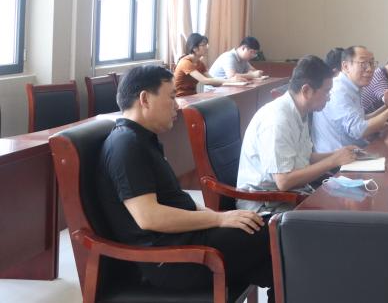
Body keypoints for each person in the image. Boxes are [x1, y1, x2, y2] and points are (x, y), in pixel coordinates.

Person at [97, 65, 273, 297]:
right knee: (279, 234)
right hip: (172, 260)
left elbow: (176, 200)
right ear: (144, 99)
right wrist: (219, 219)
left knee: (277, 251)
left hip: (187, 241)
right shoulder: (125, 145)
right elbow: (148, 217)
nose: (178, 105)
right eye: (171, 97)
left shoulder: (141, 139)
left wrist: (219, 218)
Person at [236, 56, 359, 213]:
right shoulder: (277, 120)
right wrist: (333, 161)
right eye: (327, 91)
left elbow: (303, 157)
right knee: (342, 216)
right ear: (306, 90)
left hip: (290, 194)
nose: (329, 97)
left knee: (351, 203)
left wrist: (339, 154)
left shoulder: (300, 111)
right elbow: (284, 181)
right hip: (265, 205)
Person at [311, 46, 388, 152]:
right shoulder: (339, 90)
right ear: (346, 66)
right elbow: (358, 130)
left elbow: (361, 119)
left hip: (355, 149)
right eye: (363, 64)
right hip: (338, 157)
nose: (370, 69)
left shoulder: (352, 86)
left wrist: (386, 107)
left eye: (372, 63)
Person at [173, 33, 242, 97]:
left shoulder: (200, 64)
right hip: (179, 98)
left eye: (206, 45)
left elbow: (212, 80)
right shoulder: (185, 62)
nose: (207, 47)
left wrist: (233, 83)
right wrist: (230, 80)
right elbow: (204, 80)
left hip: (191, 96)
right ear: (194, 48)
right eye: (203, 45)